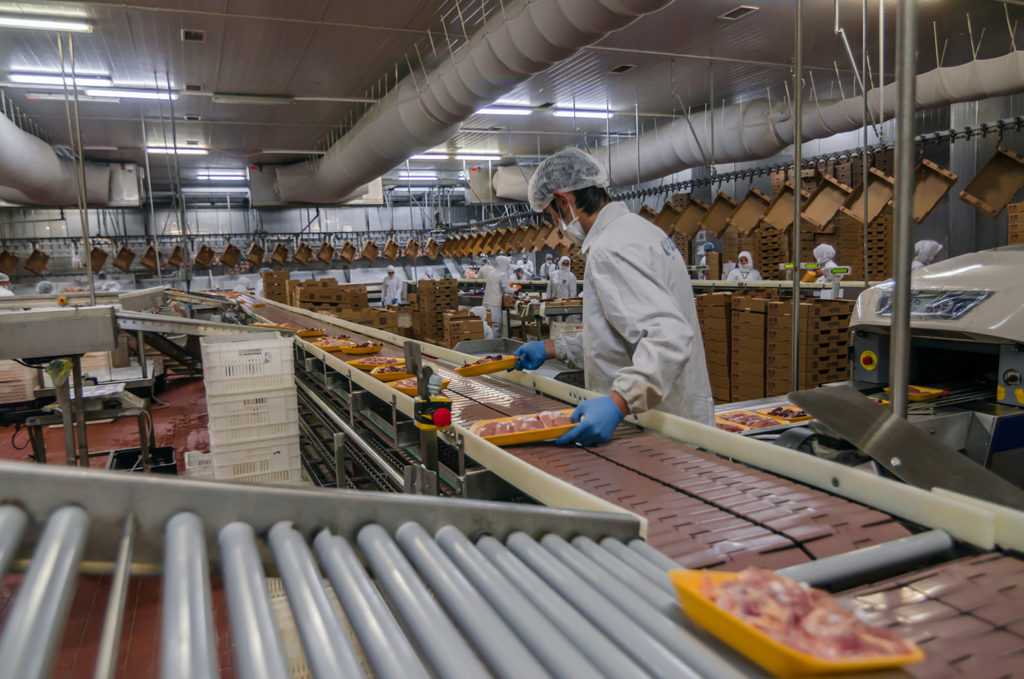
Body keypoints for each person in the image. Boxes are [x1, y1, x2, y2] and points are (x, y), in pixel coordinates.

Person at [514, 147, 714, 445]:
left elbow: (668, 336)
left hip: (658, 430)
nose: (557, 228)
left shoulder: (610, 248)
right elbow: (621, 336)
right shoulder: (644, 232)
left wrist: (619, 401)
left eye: (552, 217)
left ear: (563, 201)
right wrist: (554, 348)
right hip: (680, 416)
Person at [483, 255, 515, 338]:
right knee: (496, 326)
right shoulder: (502, 274)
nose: (508, 267)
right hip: (494, 304)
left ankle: (487, 345)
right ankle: (494, 345)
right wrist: (514, 289)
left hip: (486, 303)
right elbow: (507, 290)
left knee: (488, 325)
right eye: (507, 264)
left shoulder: (491, 272)